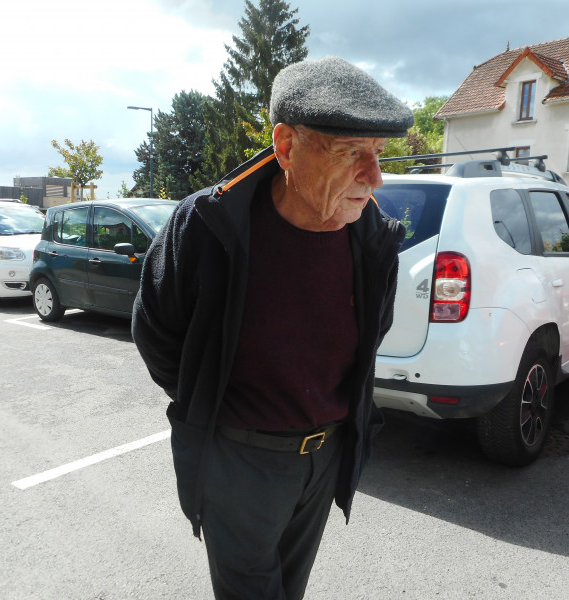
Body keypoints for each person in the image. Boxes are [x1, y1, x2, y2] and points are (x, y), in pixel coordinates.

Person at [132, 55, 413, 599]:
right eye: (352, 152)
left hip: (325, 458)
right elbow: (158, 335)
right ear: (286, 146)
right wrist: (217, 410)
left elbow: (369, 341)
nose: (374, 177)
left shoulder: (372, 238)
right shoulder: (207, 225)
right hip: (237, 462)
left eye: (377, 154)